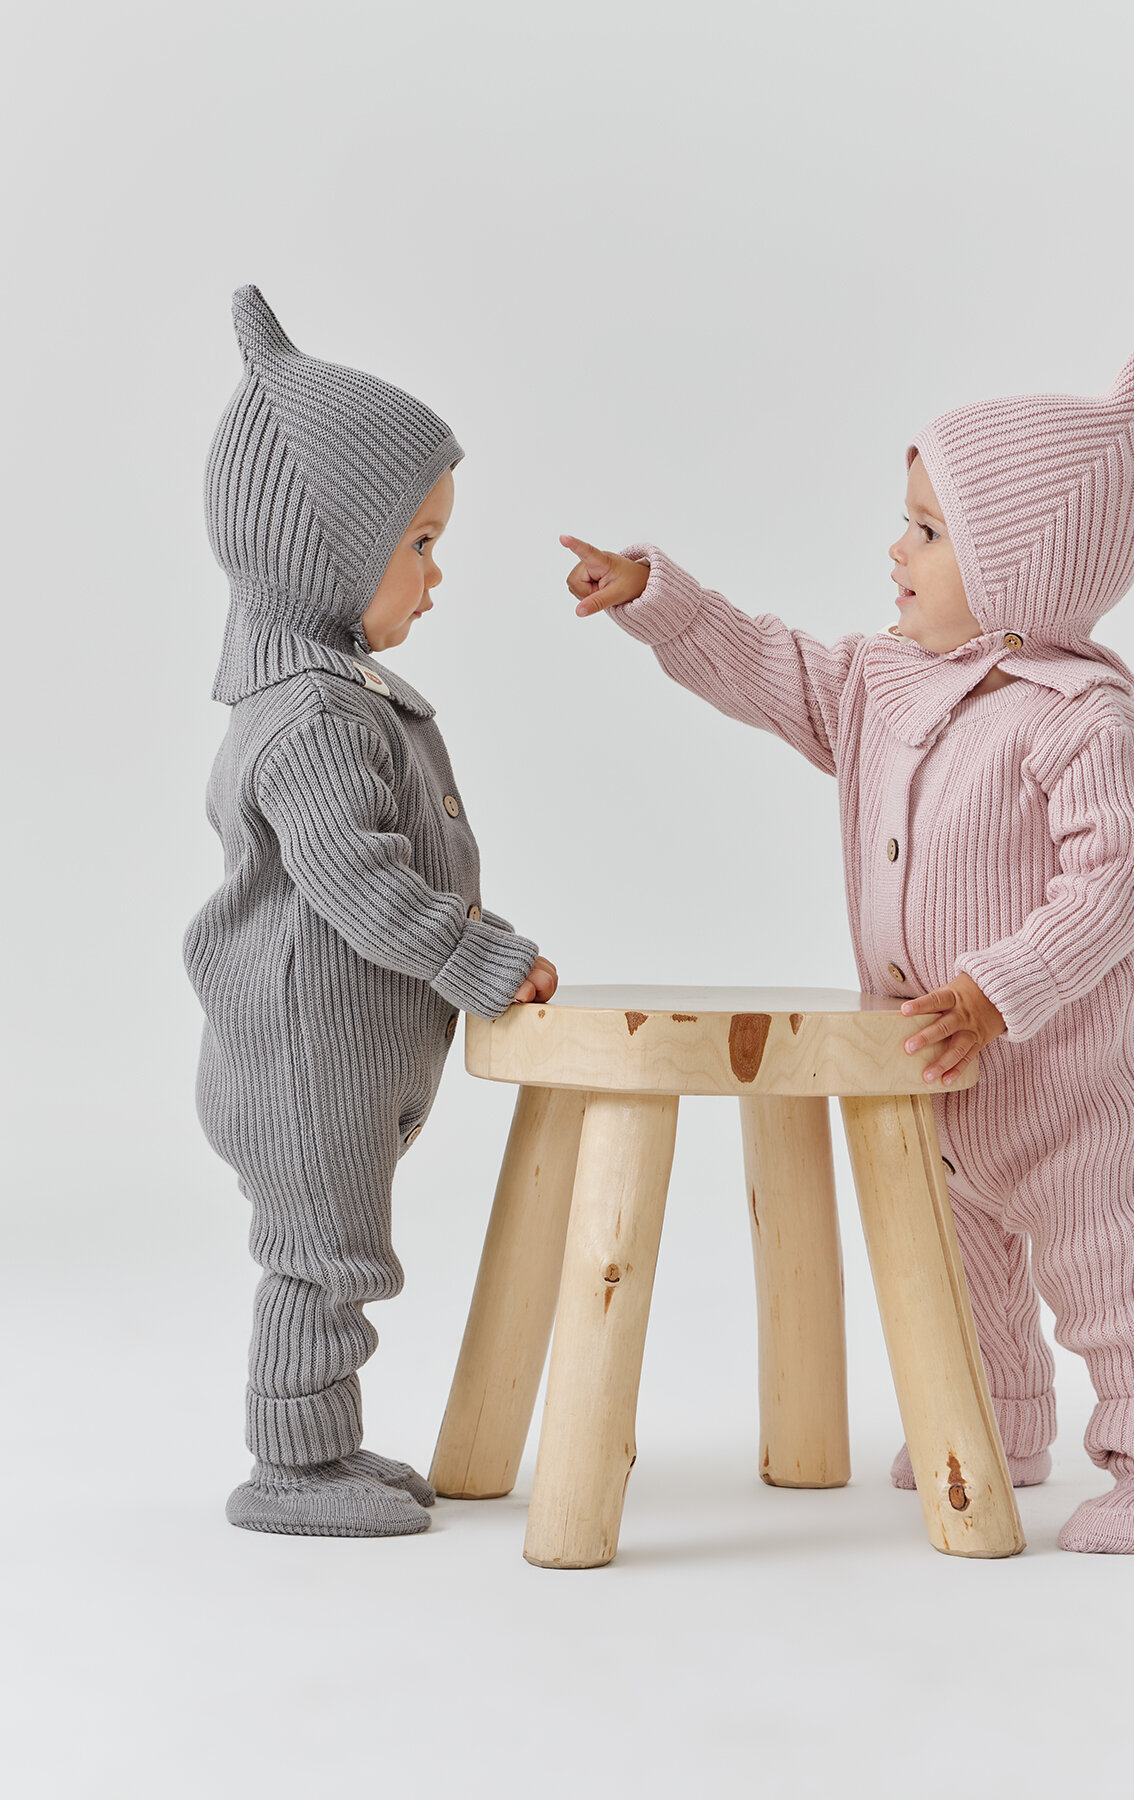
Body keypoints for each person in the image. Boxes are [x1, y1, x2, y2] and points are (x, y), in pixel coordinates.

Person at [560, 342, 1134, 1554]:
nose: (896, 551)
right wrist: (660, 599)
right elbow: (770, 667)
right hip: (925, 1066)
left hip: (1061, 1082)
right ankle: (1002, 1427)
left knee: (1102, 1267)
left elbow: (1114, 884)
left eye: (928, 530)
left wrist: (998, 990)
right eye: (905, 523)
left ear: (1020, 565)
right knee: (963, 1271)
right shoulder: (885, 684)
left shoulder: (1088, 725)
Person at [185, 286, 556, 1538]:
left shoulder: (336, 694)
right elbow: (362, 882)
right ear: (327, 551)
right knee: (324, 1259)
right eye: (421, 544)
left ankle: (326, 1443)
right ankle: (290, 1472)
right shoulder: (312, 718)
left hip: (337, 1055)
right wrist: (481, 958)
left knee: (339, 1252)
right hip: (300, 1059)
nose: (437, 577)